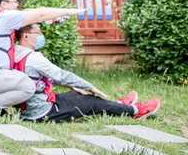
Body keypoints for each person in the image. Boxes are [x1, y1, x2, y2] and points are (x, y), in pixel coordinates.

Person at [14, 23, 161, 122]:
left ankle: (117, 104)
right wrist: (90, 86)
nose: (41, 35)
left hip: (30, 106)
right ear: (25, 36)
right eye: (38, 32)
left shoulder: (15, 53)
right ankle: (135, 111)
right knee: (91, 101)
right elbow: (62, 76)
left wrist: (76, 87)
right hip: (42, 112)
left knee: (77, 94)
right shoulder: (34, 58)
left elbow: (39, 79)